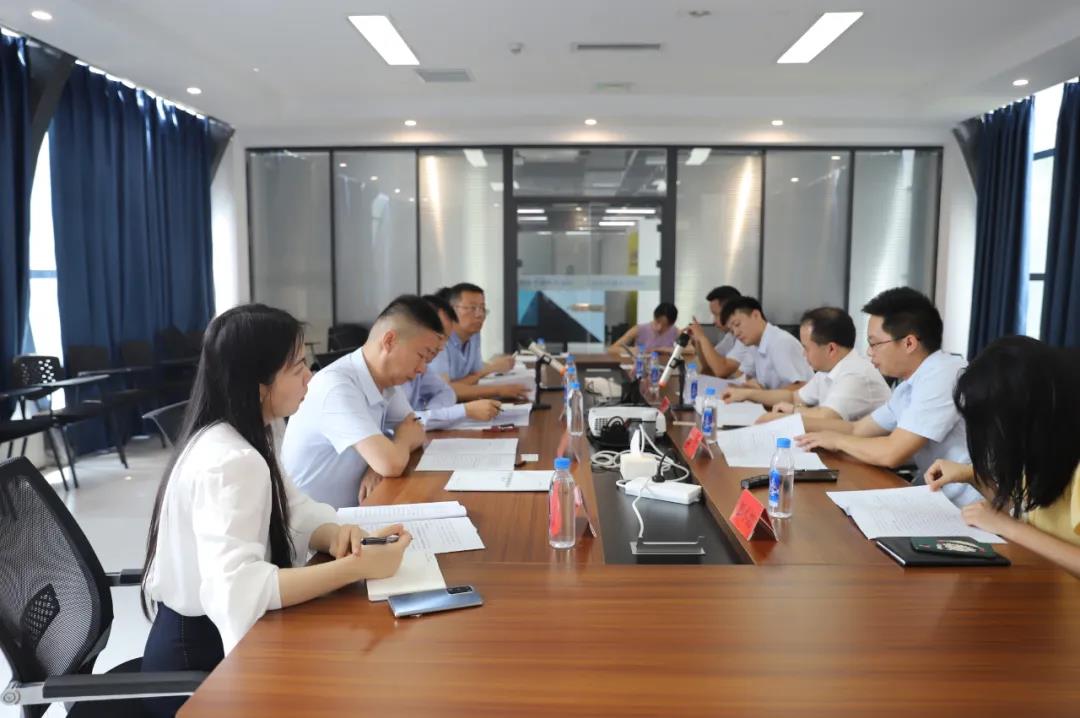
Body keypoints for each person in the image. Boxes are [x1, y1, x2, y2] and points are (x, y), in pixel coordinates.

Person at [140, 304, 411, 717]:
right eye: (297, 367)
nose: (310, 377)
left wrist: (336, 535)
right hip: (197, 666)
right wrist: (357, 568)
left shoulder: (255, 429)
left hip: (204, 638)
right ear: (259, 383)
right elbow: (238, 590)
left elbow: (293, 507)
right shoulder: (231, 459)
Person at [796, 287, 979, 505]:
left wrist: (837, 440)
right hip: (937, 495)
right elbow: (857, 429)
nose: (869, 352)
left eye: (874, 343)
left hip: (968, 507)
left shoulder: (943, 374)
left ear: (909, 343)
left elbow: (893, 452)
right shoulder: (907, 386)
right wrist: (799, 428)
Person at [924, 337, 1080, 577]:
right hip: (1042, 581)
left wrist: (1007, 527)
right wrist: (971, 476)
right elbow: (1027, 514)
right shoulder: (1045, 445)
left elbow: (1018, 525)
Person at [282, 295, 441, 508]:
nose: (422, 369)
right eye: (421, 356)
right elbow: (392, 462)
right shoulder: (337, 386)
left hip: (351, 511)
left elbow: (416, 429)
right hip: (312, 523)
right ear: (389, 341)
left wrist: (375, 464)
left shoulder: (388, 382)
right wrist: (392, 450)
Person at [723, 307, 889, 425]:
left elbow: (827, 417)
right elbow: (794, 397)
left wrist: (790, 413)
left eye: (806, 348)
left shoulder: (855, 373)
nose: (803, 354)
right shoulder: (826, 370)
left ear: (831, 349)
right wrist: (748, 394)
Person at [402, 294, 502, 429]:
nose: (442, 347)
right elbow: (404, 423)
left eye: (446, 338)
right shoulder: (393, 370)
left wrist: (433, 414)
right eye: (439, 337)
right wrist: (465, 411)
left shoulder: (421, 364)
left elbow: (446, 392)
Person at [429, 282, 530, 401]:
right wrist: (498, 388)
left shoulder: (474, 335)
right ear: (450, 310)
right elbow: (443, 390)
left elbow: (475, 377)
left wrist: (476, 376)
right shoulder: (438, 339)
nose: (479, 315)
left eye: (482, 308)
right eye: (472, 308)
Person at [720, 296, 812, 389]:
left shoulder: (780, 342)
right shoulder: (754, 344)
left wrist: (760, 394)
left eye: (737, 324)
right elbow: (746, 376)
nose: (736, 333)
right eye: (732, 331)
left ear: (756, 315)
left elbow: (800, 386)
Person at [686, 285, 751, 378]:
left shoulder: (746, 336)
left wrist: (702, 337)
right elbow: (708, 365)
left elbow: (721, 370)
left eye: (716, 315)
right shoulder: (730, 336)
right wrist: (697, 340)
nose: (714, 321)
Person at [608, 302, 679, 356]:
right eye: (657, 322)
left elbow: (686, 350)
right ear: (654, 317)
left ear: (671, 324)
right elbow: (612, 349)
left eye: (664, 325)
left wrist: (666, 350)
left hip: (665, 368)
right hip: (640, 367)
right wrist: (631, 350)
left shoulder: (674, 331)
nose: (659, 328)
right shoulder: (639, 329)